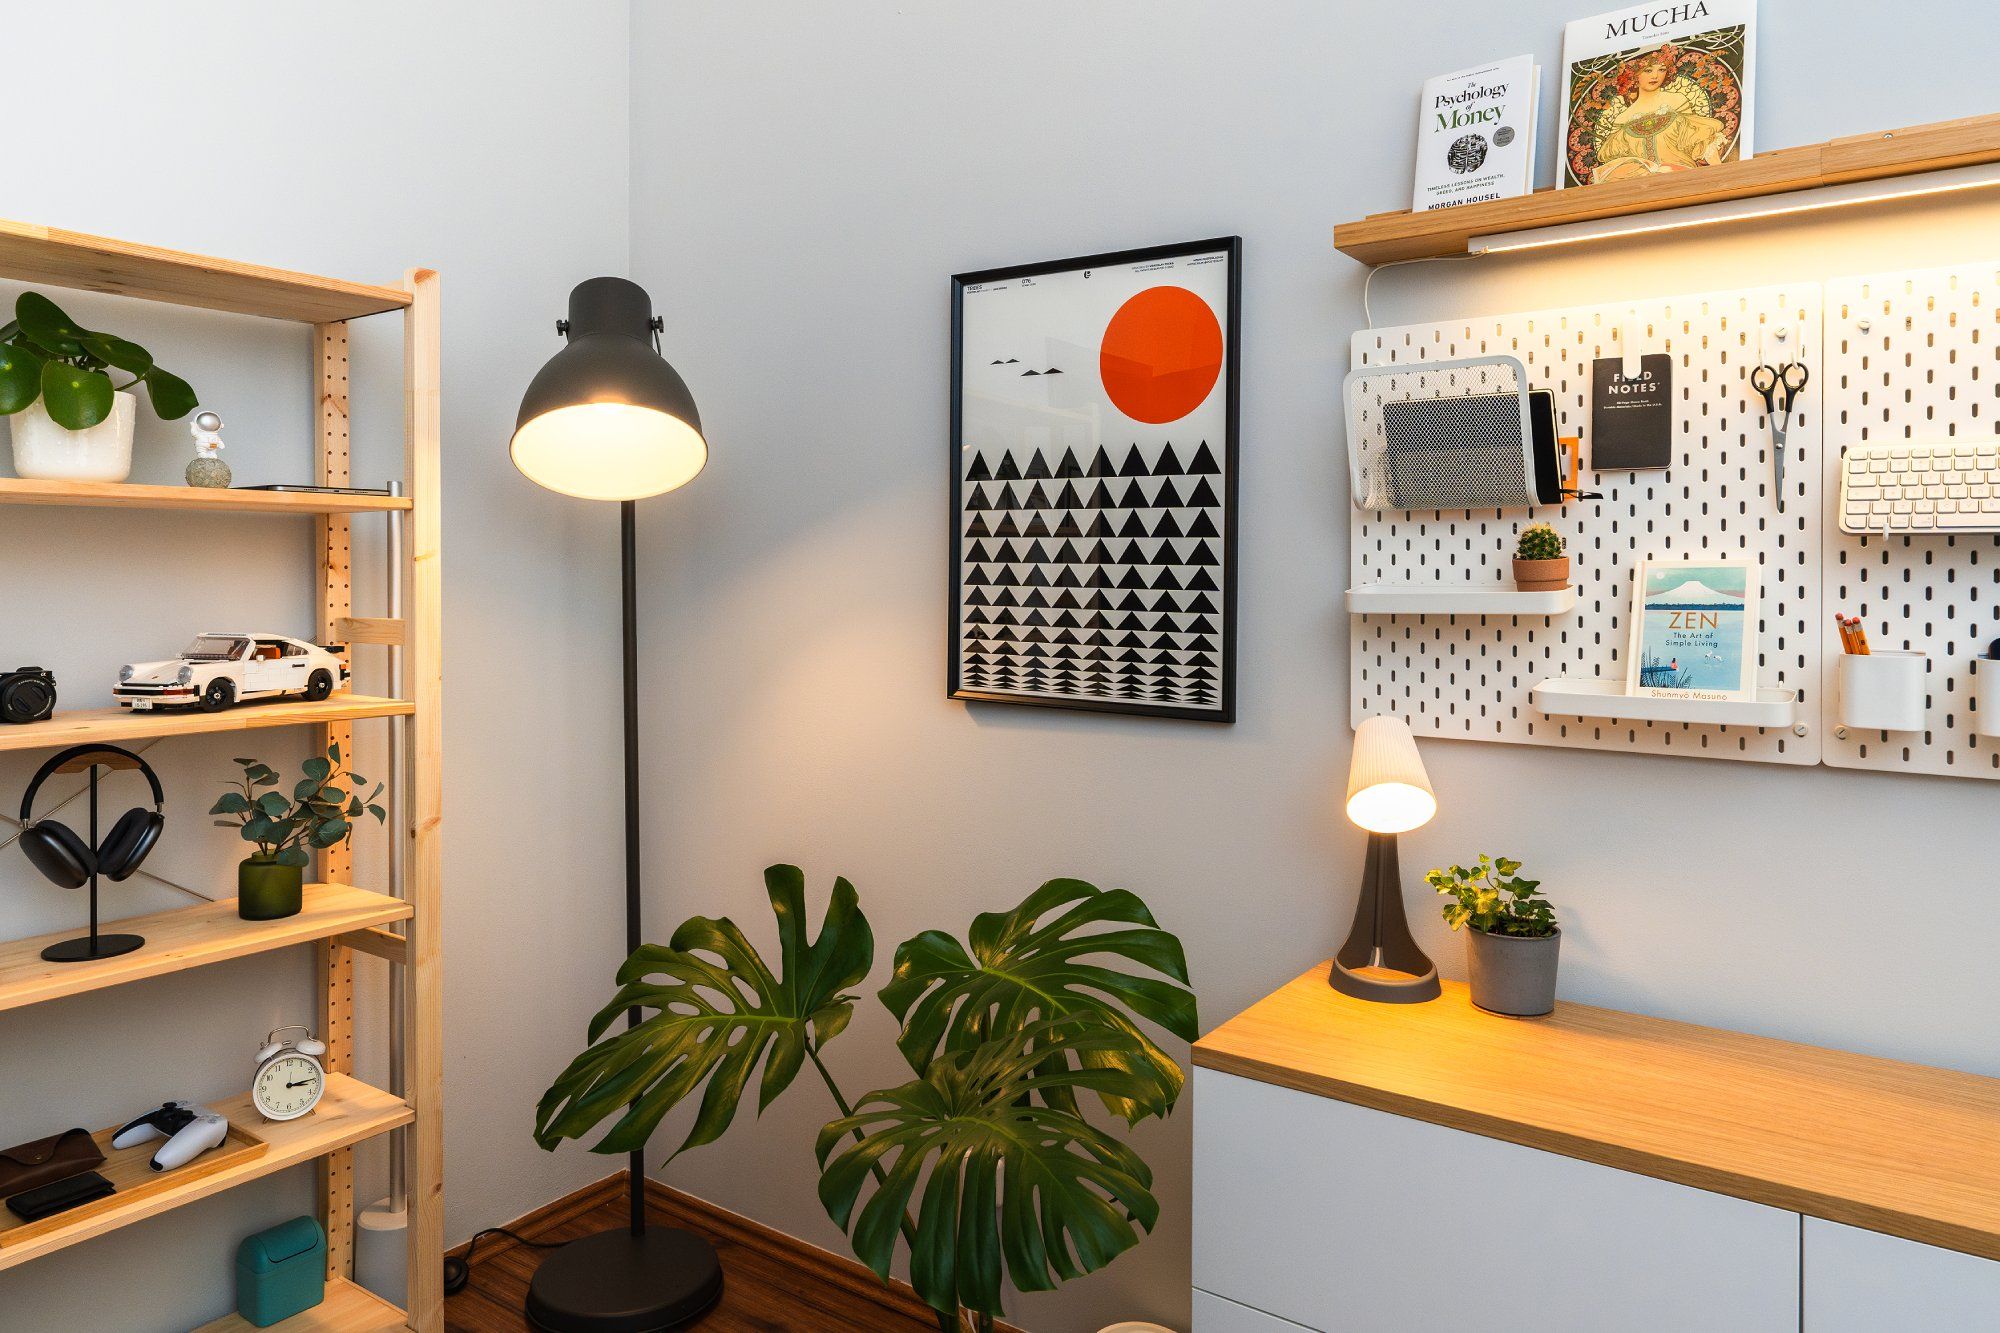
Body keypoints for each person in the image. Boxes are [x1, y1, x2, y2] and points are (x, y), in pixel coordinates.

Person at [1588, 45, 1729, 183]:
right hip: (1638, 185)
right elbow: (1616, 162)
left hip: (1682, 178)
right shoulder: (1622, 118)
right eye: (1648, 70)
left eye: (1661, 69)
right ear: (1633, 75)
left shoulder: (1677, 101)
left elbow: (1700, 141)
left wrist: (1723, 178)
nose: (1655, 76)